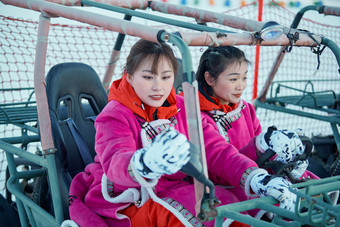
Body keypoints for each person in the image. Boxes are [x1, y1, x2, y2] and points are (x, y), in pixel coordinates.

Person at [67, 39, 297, 227]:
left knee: (231, 208)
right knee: (189, 216)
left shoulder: (183, 106)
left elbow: (215, 150)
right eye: (148, 77)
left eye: (166, 77)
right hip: (133, 196)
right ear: (129, 76)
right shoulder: (116, 114)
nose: (158, 86)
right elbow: (115, 160)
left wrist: (254, 176)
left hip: (178, 187)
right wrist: (144, 163)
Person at [195, 45, 319, 184]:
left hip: (255, 172)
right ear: (210, 79)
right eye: (234, 79)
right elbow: (216, 163)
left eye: (244, 78)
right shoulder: (197, 116)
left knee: (310, 182)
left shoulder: (246, 109)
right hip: (226, 183)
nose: (241, 86)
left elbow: (262, 155)